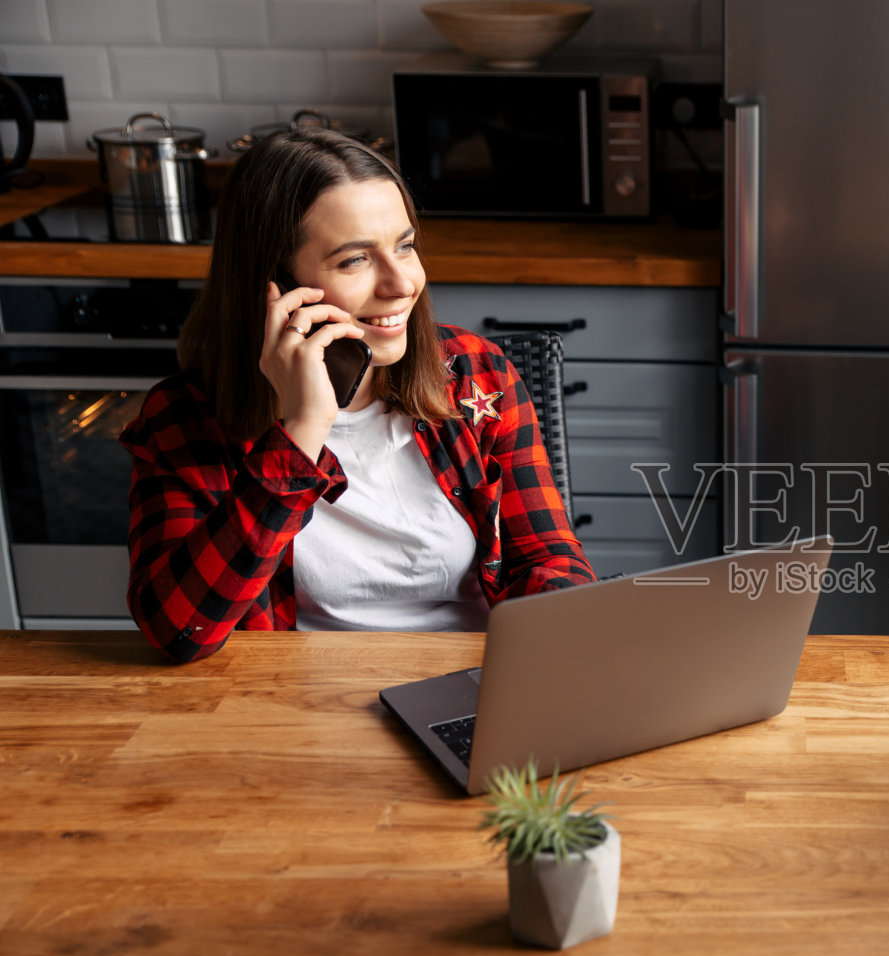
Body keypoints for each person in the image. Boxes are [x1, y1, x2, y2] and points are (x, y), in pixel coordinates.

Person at [119, 127, 594, 664]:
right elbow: (178, 633)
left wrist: (548, 653)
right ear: (273, 284)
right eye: (354, 260)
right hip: (295, 707)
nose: (401, 284)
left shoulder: (477, 374)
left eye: (405, 246)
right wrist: (300, 432)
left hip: (478, 684)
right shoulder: (184, 418)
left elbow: (547, 557)